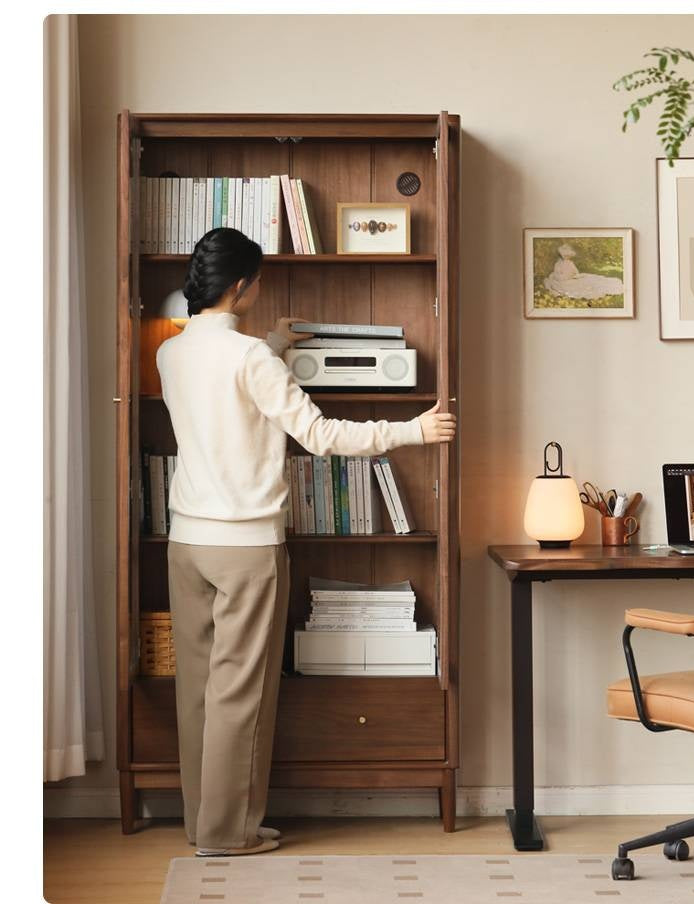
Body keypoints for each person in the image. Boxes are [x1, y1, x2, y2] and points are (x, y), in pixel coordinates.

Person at [156, 227, 456, 858]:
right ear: (241, 285)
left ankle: (202, 822)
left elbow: (223, 384)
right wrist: (413, 429)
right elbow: (319, 435)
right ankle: (228, 833)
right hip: (245, 549)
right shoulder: (252, 360)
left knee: (199, 688)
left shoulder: (172, 354)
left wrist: (268, 344)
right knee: (241, 690)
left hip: (186, 543)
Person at [543, 242, 624, 300]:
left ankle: (608, 284)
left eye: (568, 256)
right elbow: (558, 276)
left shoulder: (570, 263)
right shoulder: (558, 264)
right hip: (564, 281)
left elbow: (576, 272)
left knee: (589, 279)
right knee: (581, 285)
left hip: (572, 278)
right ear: (562, 256)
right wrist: (567, 277)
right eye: (565, 256)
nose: (567, 258)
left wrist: (575, 275)